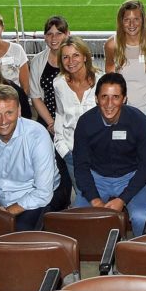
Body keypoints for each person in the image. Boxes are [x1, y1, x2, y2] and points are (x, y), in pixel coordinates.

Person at [0, 86, 59, 232]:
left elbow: (43, 192)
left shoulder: (37, 135)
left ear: (19, 111)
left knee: (16, 236)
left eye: (9, 112)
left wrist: (6, 214)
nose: (3, 121)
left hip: (38, 199)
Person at [72, 74, 146, 236]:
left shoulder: (138, 120)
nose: (109, 104)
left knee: (141, 218)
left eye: (116, 97)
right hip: (97, 178)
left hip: (130, 176)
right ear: (97, 98)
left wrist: (122, 199)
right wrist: (94, 199)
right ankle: (92, 254)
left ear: (124, 99)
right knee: (78, 217)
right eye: (104, 97)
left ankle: (138, 255)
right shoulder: (85, 123)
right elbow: (81, 166)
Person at [52, 37, 99, 203]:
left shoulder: (102, 81)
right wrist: (65, 152)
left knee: (101, 197)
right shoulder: (58, 84)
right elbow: (60, 116)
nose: (71, 61)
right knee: (84, 199)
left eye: (75, 55)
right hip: (73, 154)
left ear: (85, 56)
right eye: (65, 57)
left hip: (100, 154)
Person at [105, 0, 146, 118]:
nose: (132, 24)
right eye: (127, 20)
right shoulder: (112, 45)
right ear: (121, 21)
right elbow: (111, 80)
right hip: (124, 113)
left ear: (143, 20)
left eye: (136, 19)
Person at [25, 16, 70, 134]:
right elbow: (36, 97)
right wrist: (52, 124)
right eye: (49, 34)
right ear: (45, 37)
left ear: (67, 34)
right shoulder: (37, 61)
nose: (54, 38)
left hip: (73, 121)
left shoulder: (76, 59)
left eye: (59, 33)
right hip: (47, 121)